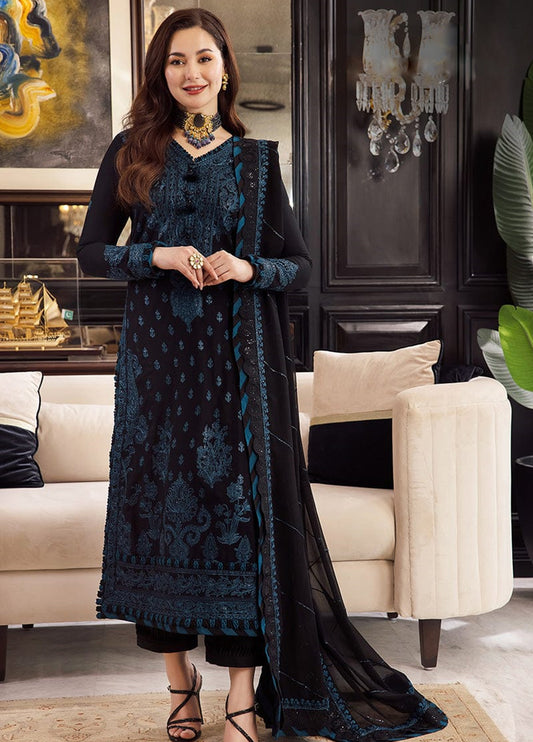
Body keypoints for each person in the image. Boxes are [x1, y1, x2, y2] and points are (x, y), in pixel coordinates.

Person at [77, 8, 448, 742]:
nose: (191, 72)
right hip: (156, 371)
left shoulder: (254, 161)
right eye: (176, 60)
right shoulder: (131, 151)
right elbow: (90, 251)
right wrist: (156, 255)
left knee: (238, 528)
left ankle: (242, 699)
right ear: (160, 71)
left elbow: (297, 266)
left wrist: (247, 268)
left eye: (204, 58)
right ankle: (179, 687)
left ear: (225, 69)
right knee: (159, 524)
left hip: (234, 370)